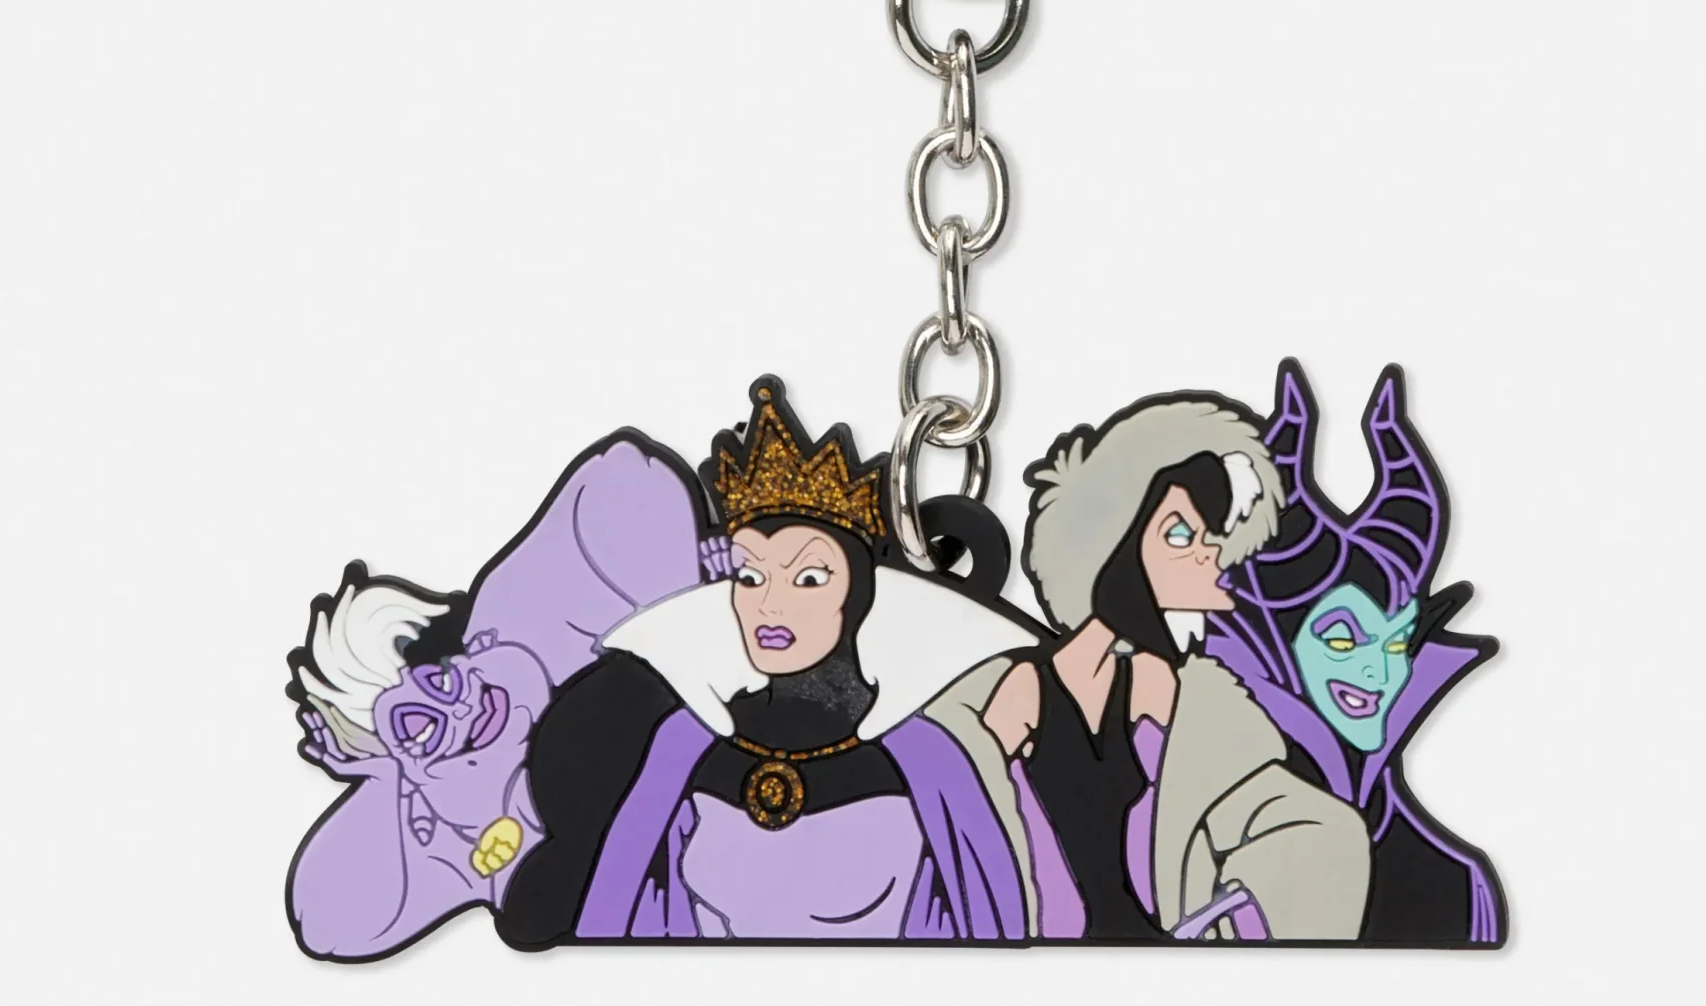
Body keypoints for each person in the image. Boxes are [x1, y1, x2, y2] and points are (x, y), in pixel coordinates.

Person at [497, 380, 1037, 944]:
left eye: (809, 577)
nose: (770, 605)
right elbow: (625, 907)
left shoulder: (929, 758)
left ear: (859, 592)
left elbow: (985, 923)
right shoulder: (681, 745)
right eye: (750, 575)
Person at [286, 429, 707, 959]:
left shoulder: (518, 623)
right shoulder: (434, 825)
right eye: (419, 726)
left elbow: (629, 477)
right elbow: (326, 922)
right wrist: (387, 778)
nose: (460, 710)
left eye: (441, 679)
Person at [985, 393, 1371, 941]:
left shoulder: (1173, 689)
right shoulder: (1026, 687)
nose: (1208, 555)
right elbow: (956, 798)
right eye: (1180, 535)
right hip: (1034, 951)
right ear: (1116, 544)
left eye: (1214, 538)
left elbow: (1267, 807)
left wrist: (1228, 918)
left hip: (1165, 952)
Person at [1211, 362, 1506, 945]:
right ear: (1271, 643)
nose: (1380, 671)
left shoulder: (1456, 887)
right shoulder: (1187, 836)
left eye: (1397, 642)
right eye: (1342, 640)